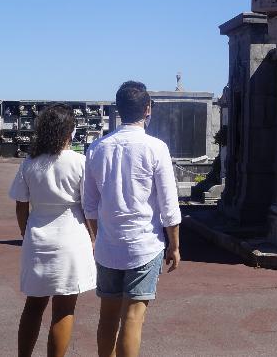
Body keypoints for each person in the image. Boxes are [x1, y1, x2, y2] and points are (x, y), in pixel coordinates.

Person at [84, 81, 181, 357]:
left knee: (108, 316)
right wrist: (174, 245)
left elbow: (89, 204)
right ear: (147, 109)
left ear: (118, 109)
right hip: (144, 244)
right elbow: (169, 205)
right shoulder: (156, 148)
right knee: (133, 318)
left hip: (108, 245)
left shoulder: (97, 148)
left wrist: (98, 235)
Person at [9, 104, 96, 357]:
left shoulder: (30, 163)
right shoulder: (80, 162)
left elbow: (20, 205)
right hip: (71, 236)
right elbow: (89, 207)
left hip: (37, 235)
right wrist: (94, 237)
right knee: (64, 308)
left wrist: (27, 234)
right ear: (69, 130)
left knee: (33, 305)